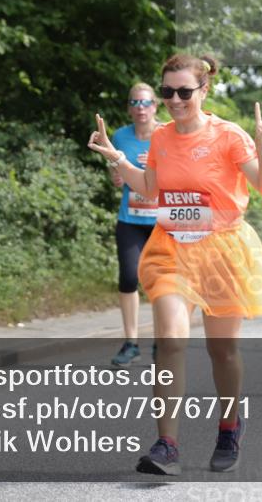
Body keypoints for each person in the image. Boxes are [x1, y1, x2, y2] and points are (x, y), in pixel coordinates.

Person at [88, 53, 262, 475]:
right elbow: (151, 188)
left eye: (184, 92)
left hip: (222, 252)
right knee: (171, 340)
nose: (174, 100)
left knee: (222, 350)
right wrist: (117, 159)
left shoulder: (229, 137)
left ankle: (229, 426)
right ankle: (167, 444)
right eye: (168, 92)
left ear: (204, 90)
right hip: (171, 249)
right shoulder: (160, 138)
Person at [108, 84, 160, 367]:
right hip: (130, 219)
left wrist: (149, 171)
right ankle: (131, 343)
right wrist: (116, 176)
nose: (140, 108)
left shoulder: (167, 134)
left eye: (145, 102)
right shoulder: (120, 135)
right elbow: (115, 172)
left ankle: (162, 341)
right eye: (134, 102)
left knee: (159, 282)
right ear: (129, 108)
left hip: (162, 221)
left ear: (155, 106)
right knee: (129, 277)